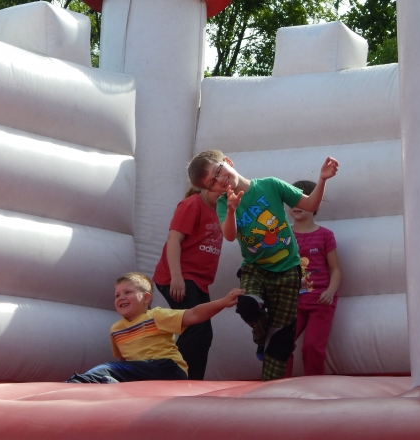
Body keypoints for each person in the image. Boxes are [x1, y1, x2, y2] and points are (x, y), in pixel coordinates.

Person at [187, 150, 338, 381]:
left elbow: (310, 203)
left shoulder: (270, 185)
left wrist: (323, 179)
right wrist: (232, 209)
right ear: (211, 190)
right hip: (256, 268)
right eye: (212, 182)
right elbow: (230, 235)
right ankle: (261, 336)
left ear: (227, 162)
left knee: (281, 341)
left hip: (288, 269)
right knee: (247, 304)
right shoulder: (224, 204)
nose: (220, 180)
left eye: (218, 171)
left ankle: (271, 386)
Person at [66, 272, 245, 383]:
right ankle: (108, 384)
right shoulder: (116, 329)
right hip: (143, 372)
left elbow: (193, 314)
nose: (121, 297)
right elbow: (124, 361)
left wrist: (223, 302)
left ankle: (78, 383)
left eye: (128, 292)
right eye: (117, 295)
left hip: (168, 367)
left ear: (146, 298)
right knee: (116, 371)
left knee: (107, 368)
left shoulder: (155, 316)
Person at [152, 186, 223, 380]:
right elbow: (174, 239)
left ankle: (193, 382)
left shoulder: (221, 209)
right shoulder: (192, 204)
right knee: (195, 328)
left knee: (205, 334)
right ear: (204, 185)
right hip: (180, 278)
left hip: (199, 281)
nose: (223, 194)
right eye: (218, 189)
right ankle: (174, 379)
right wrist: (176, 277)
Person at [284, 180, 341, 377]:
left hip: (320, 300)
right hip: (292, 302)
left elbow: (335, 270)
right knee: (282, 343)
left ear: (315, 204)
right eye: (292, 200)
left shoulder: (325, 235)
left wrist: (330, 291)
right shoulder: (284, 235)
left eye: (302, 200)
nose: (296, 205)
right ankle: (281, 385)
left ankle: (315, 385)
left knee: (312, 347)